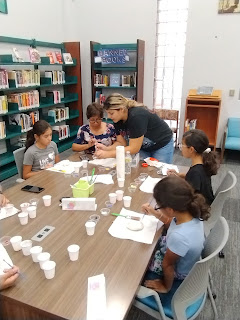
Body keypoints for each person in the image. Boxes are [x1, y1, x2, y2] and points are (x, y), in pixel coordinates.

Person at [142, 176, 210, 293]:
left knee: (139, 260)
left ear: (170, 210)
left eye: (158, 206)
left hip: (178, 271)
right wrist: (154, 213)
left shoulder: (179, 236)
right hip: (180, 253)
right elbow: (171, 223)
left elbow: (168, 265)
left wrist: (165, 286)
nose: (157, 208)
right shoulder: (191, 212)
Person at [94, 93, 174, 163]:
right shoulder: (117, 120)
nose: (109, 117)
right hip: (144, 146)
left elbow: (134, 148)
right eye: (107, 113)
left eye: (111, 113)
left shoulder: (136, 116)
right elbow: (122, 143)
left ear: (121, 109)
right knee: (141, 170)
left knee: (158, 172)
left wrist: (107, 154)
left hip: (162, 144)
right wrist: (107, 149)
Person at [167, 129, 219, 205]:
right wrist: (179, 175)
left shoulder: (195, 172)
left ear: (191, 149)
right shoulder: (203, 162)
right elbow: (196, 180)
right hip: (205, 202)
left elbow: (190, 198)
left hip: (200, 208)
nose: (181, 148)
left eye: (182, 145)